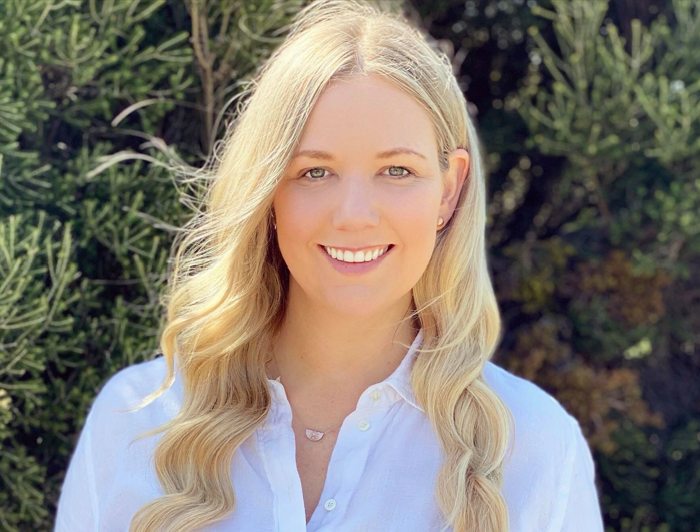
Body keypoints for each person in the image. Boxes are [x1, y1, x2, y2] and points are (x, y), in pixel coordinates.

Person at [54, 0, 605, 530]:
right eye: (315, 173)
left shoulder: (535, 448)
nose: (354, 216)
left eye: (397, 171)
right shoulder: (137, 420)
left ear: (449, 189)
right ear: (268, 192)